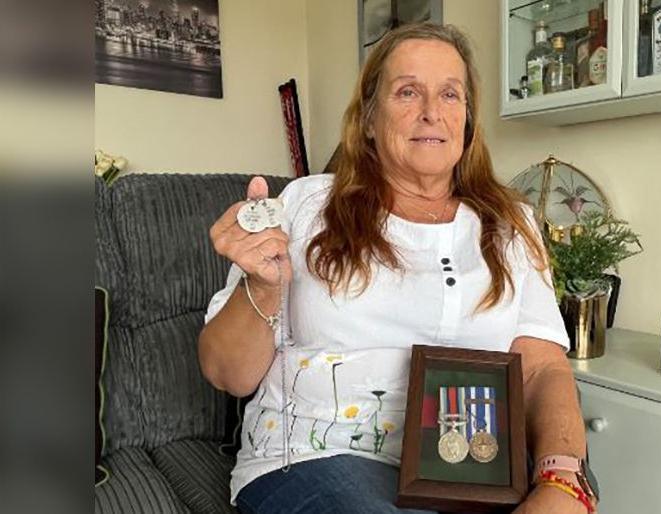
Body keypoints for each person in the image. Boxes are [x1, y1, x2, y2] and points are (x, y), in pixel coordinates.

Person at [199, 23, 592, 514]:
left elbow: (542, 370)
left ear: (467, 119)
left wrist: (561, 477)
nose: (432, 112)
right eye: (408, 91)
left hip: (473, 468)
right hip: (317, 457)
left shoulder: (512, 226)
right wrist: (261, 284)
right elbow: (226, 374)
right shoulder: (305, 204)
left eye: (450, 94)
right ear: (368, 117)